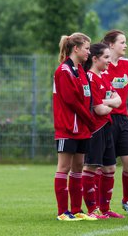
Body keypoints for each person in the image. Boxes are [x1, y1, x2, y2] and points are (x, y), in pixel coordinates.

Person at [53, 32, 97, 221]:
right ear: (76, 48)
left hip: (83, 128)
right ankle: (63, 212)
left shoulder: (81, 71)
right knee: (64, 167)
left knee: (78, 167)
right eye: (86, 48)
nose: (89, 52)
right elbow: (72, 101)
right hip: (68, 127)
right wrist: (91, 120)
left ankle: (77, 209)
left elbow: (87, 99)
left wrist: (88, 121)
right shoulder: (64, 71)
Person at [101, 29, 128, 216]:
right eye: (122, 42)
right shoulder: (103, 64)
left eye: (125, 42)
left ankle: (127, 201)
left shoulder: (127, 64)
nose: (125, 45)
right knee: (106, 166)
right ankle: (103, 206)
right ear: (111, 45)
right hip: (106, 118)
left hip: (123, 118)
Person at [82, 43, 125, 219]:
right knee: (91, 167)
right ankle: (93, 210)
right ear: (95, 58)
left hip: (107, 126)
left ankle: (105, 208)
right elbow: (98, 110)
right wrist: (107, 104)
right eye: (106, 58)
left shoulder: (104, 78)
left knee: (110, 167)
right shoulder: (90, 78)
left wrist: (104, 103)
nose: (109, 61)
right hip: (95, 129)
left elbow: (118, 100)